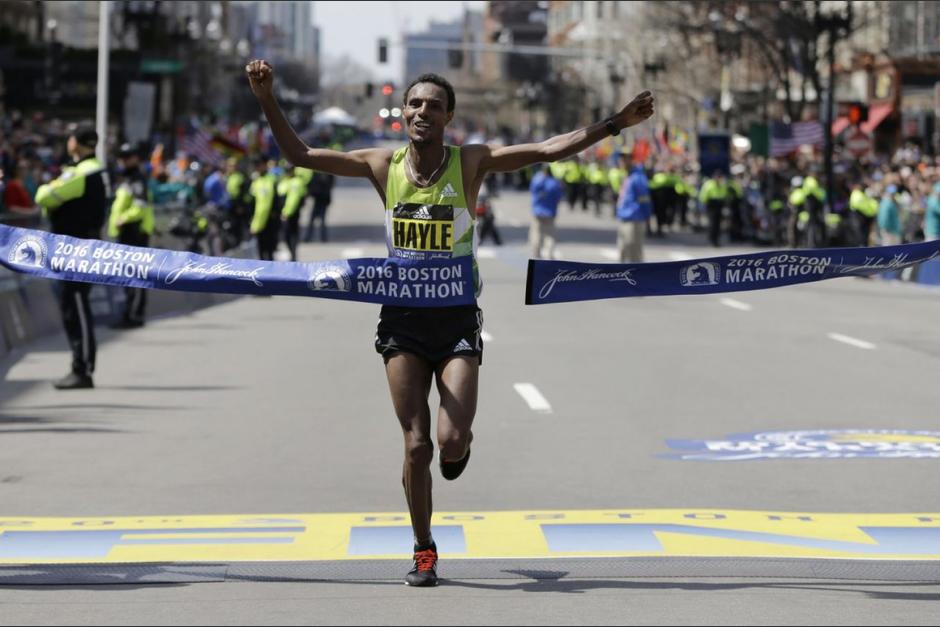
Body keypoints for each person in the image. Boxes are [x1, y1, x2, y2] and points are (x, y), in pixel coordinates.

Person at [246, 59, 653, 587]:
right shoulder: (381, 165)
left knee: (451, 441)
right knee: (417, 445)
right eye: (415, 104)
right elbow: (300, 155)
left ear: (449, 117)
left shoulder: (471, 163)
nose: (423, 112)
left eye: (434, 106)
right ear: (403, 114)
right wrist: (266, 98)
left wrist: (616, 123)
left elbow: (548, 149)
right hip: (402, 321)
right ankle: (424, 549)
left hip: (456, 319)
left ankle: (459, 449)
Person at [34, 124, 108, 390]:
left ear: (75, 142)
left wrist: (48, 187)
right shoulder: (93, 169)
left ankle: (82, 369)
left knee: (76, 305)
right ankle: (80, 366)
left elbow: (44, 196)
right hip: (78, 247)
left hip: (75, 250)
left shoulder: (80, 172)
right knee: (73, 305)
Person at [108, 143, 155, 329]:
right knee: (130, 276)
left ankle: (134, 315)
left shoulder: (136, 179)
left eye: (127, 157)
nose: (123, 160)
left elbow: (140, 206)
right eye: (121, 157)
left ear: (135, 158)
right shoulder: (127, 178)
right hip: (128, 232)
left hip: (134, 231)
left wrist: (123, 218)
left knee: (136, 276)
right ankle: (130, 313)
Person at [615, 152, 652, 262]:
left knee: (634, 254)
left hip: (634, 220)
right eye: (620, 159)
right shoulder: (627, 175)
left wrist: (647, 218)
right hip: (624, 218)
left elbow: (644, 199)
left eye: (624, 159)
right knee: (623, 252)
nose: (621, 162)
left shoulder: (638, 177)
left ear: (630, 160)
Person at [528, 164, 563, 259]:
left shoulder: (537, 180)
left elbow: (532, 190)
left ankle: (536, 253)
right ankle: (549, 254)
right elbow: (559, 197)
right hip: (550, 212)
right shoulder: (554, 183)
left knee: (536, 233)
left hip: (538, 211)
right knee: (550, 234)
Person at [248, 158, 278, 261]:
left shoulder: (272, 179)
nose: (257, 168)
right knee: (260, 249)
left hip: (269, 219)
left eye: (259, 165)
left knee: (269, 250)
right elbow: (252, 201)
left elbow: (272, 201)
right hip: (258, 219)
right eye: (256, 166)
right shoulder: (255, 181)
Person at [278, 163, 306, 262]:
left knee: (292, 234)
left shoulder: (296, 182)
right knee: (286, 236)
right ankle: (292, 254)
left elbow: (292, 200)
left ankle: (293, 255)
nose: (288, 172)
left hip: (291, 213)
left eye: (289, 170)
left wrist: (286, 213)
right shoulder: (284, 181)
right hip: (283, 213)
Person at [304, 169, 335, 243]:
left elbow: (329, 185)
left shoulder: (328, 174)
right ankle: (310, 237)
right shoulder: (317, 173)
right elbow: (312, 184)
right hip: (318, 199)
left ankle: (322, 237)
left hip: (323, 200)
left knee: (321, 220)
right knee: (313, 220)